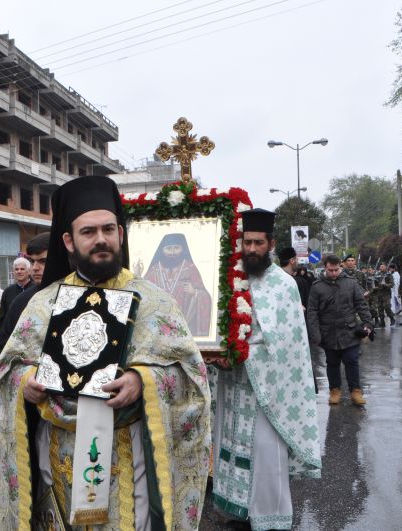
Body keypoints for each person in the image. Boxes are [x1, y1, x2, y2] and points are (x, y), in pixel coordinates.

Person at [0, 175, 210, 530]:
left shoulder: (155, 302)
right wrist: (25, 382)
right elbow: (7, 373)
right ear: (69, 241)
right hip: (58, 454)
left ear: (120, 234)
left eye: (108, 229)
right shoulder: (42, 304)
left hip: (128, 451)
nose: (101, 239)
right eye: (88, 232)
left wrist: (143, 379)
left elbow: (190, 376)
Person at [210, 209, 321, 530]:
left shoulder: (284, 286)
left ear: (270, 243)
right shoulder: (231, 280)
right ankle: (240, 514)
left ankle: (269, 519)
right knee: (232, 447)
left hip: (267, 391)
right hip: (234, 386)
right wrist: (218, 351)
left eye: (259, 242)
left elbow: (286, 345)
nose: (252, 249)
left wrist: (242, 353)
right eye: (247, 242)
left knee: (264, 453)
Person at [307, 254, 374, 406]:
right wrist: (315, 334)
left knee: (352, 361)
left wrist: (368, 323)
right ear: (325, 268)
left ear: (340, 267)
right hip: (328, 333)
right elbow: (312, 312)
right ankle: (335, 391)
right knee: (332, 363)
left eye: (336, 270)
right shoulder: (317, 286)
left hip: (349, 331)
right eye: (330, 270)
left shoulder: (350, 283)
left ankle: (356, 391)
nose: (334, 273)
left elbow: (360, 304)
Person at [141, 232, 213, 336]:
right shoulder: (154, 270)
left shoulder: (190, 268)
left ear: (183, 250)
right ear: (162, 250)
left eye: (176, 248)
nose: (172, 252)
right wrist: (138, 274)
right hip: (156, 331)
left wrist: (195, 292)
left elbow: (205, 297)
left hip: (183, 330)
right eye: (168, 248)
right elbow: (142, 293)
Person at [0, 232, 50, 356]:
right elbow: (5, 340)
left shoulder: (77, 295)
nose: (35, 267)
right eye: (33, 261)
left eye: (43, 261)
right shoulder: (19, 300)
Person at [0, 257, 33, 355]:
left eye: (22, 269)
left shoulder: (36, 290)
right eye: (16, 269)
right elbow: (3, 317)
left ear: (29, 271)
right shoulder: (7, 291)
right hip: (12, 339)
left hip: (31, 339)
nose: (19, 271)